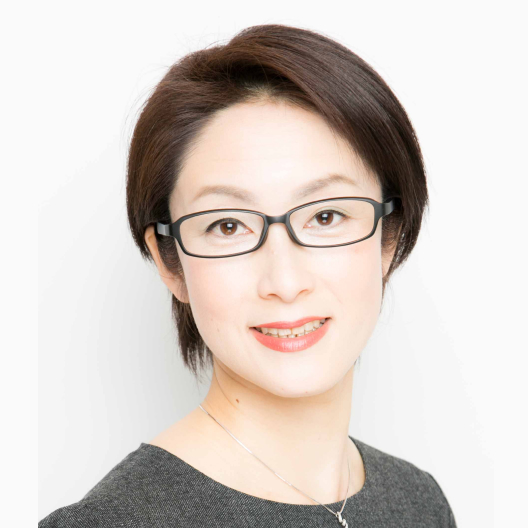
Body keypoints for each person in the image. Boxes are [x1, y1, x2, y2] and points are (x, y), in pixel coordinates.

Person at [39, 23, 457, 527]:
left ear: (389, 238)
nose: (285, 282)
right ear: (171, 263)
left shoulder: (418, 501)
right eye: (228, 226)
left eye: (326, 216)